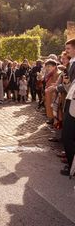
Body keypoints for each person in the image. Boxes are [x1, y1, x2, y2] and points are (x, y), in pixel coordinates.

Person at [60, 38, 75, 176]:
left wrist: (66, 83)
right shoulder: (71, 64)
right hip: (70, 101)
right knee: (69, 137)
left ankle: (72, 167)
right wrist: (66, 82)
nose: (66, 50)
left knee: (67, 137)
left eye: (69, 48)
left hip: (73, 104)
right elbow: (69, 86)